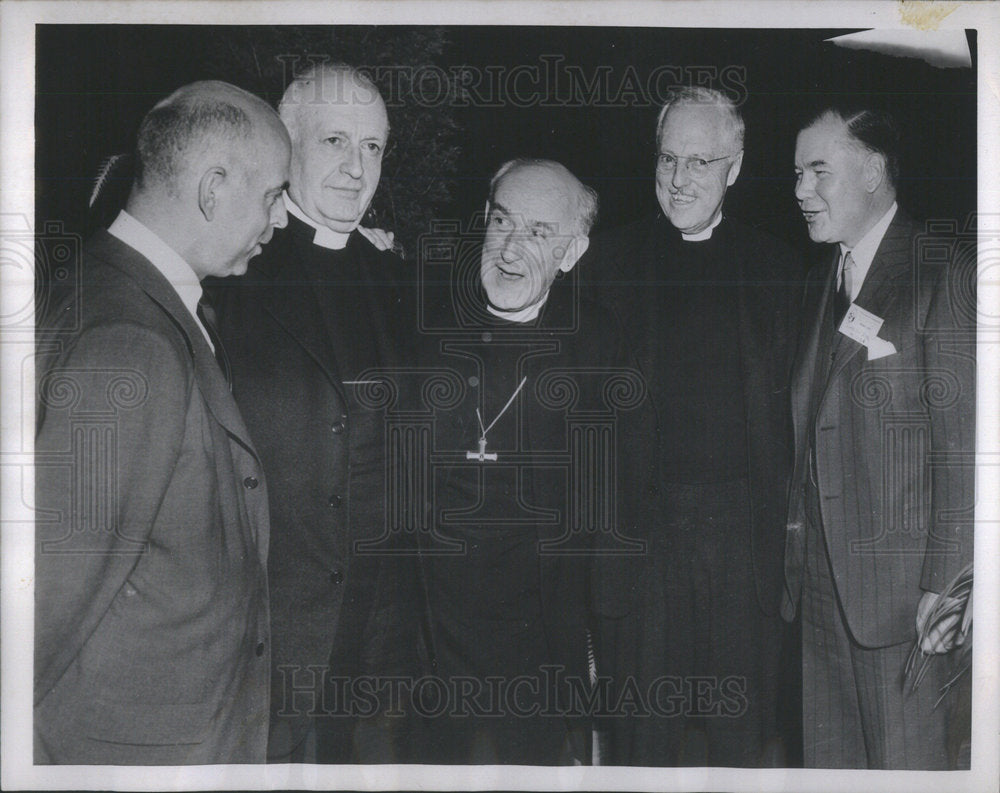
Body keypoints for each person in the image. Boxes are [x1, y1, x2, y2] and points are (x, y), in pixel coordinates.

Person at [34, 81, 290, 764]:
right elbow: (45, 601)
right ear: (213, 189)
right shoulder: (133, 342)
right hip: (143, 754)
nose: (277, 223)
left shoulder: (102, 283)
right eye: (271, 197)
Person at [580, 87, 801, 766]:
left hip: (742, 539)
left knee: (740, 744)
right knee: (642, 745)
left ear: (734, 168)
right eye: (668, 159)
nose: (679, 180)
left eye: (700, 163)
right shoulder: (603, 264)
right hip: (643, 539)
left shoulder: (779, 269)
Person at [211, 63, 420, 763]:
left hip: (381, 633)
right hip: (271, 627)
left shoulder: (396, 277)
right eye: (335, 141)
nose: (356, 168)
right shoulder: (230, 275)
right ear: (286, 142)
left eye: (373, 147)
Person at [415, 158, 654, 764]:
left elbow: (618, 500)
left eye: (540, 233)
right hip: (431, 631)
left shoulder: (602, 345)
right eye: (501, 222)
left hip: (544, 631)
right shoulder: (419, 318)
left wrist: (603, 642)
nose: (512, 248)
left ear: (573, 252)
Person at [784, 104, 975, 769]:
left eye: (818, 171)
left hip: (904, 606)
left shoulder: (939, 270)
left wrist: (946, 591)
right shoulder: (824, 278)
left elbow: (962, 449)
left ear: (872, 170)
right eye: (796, 173)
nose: (801, 190)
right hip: (820, 594)